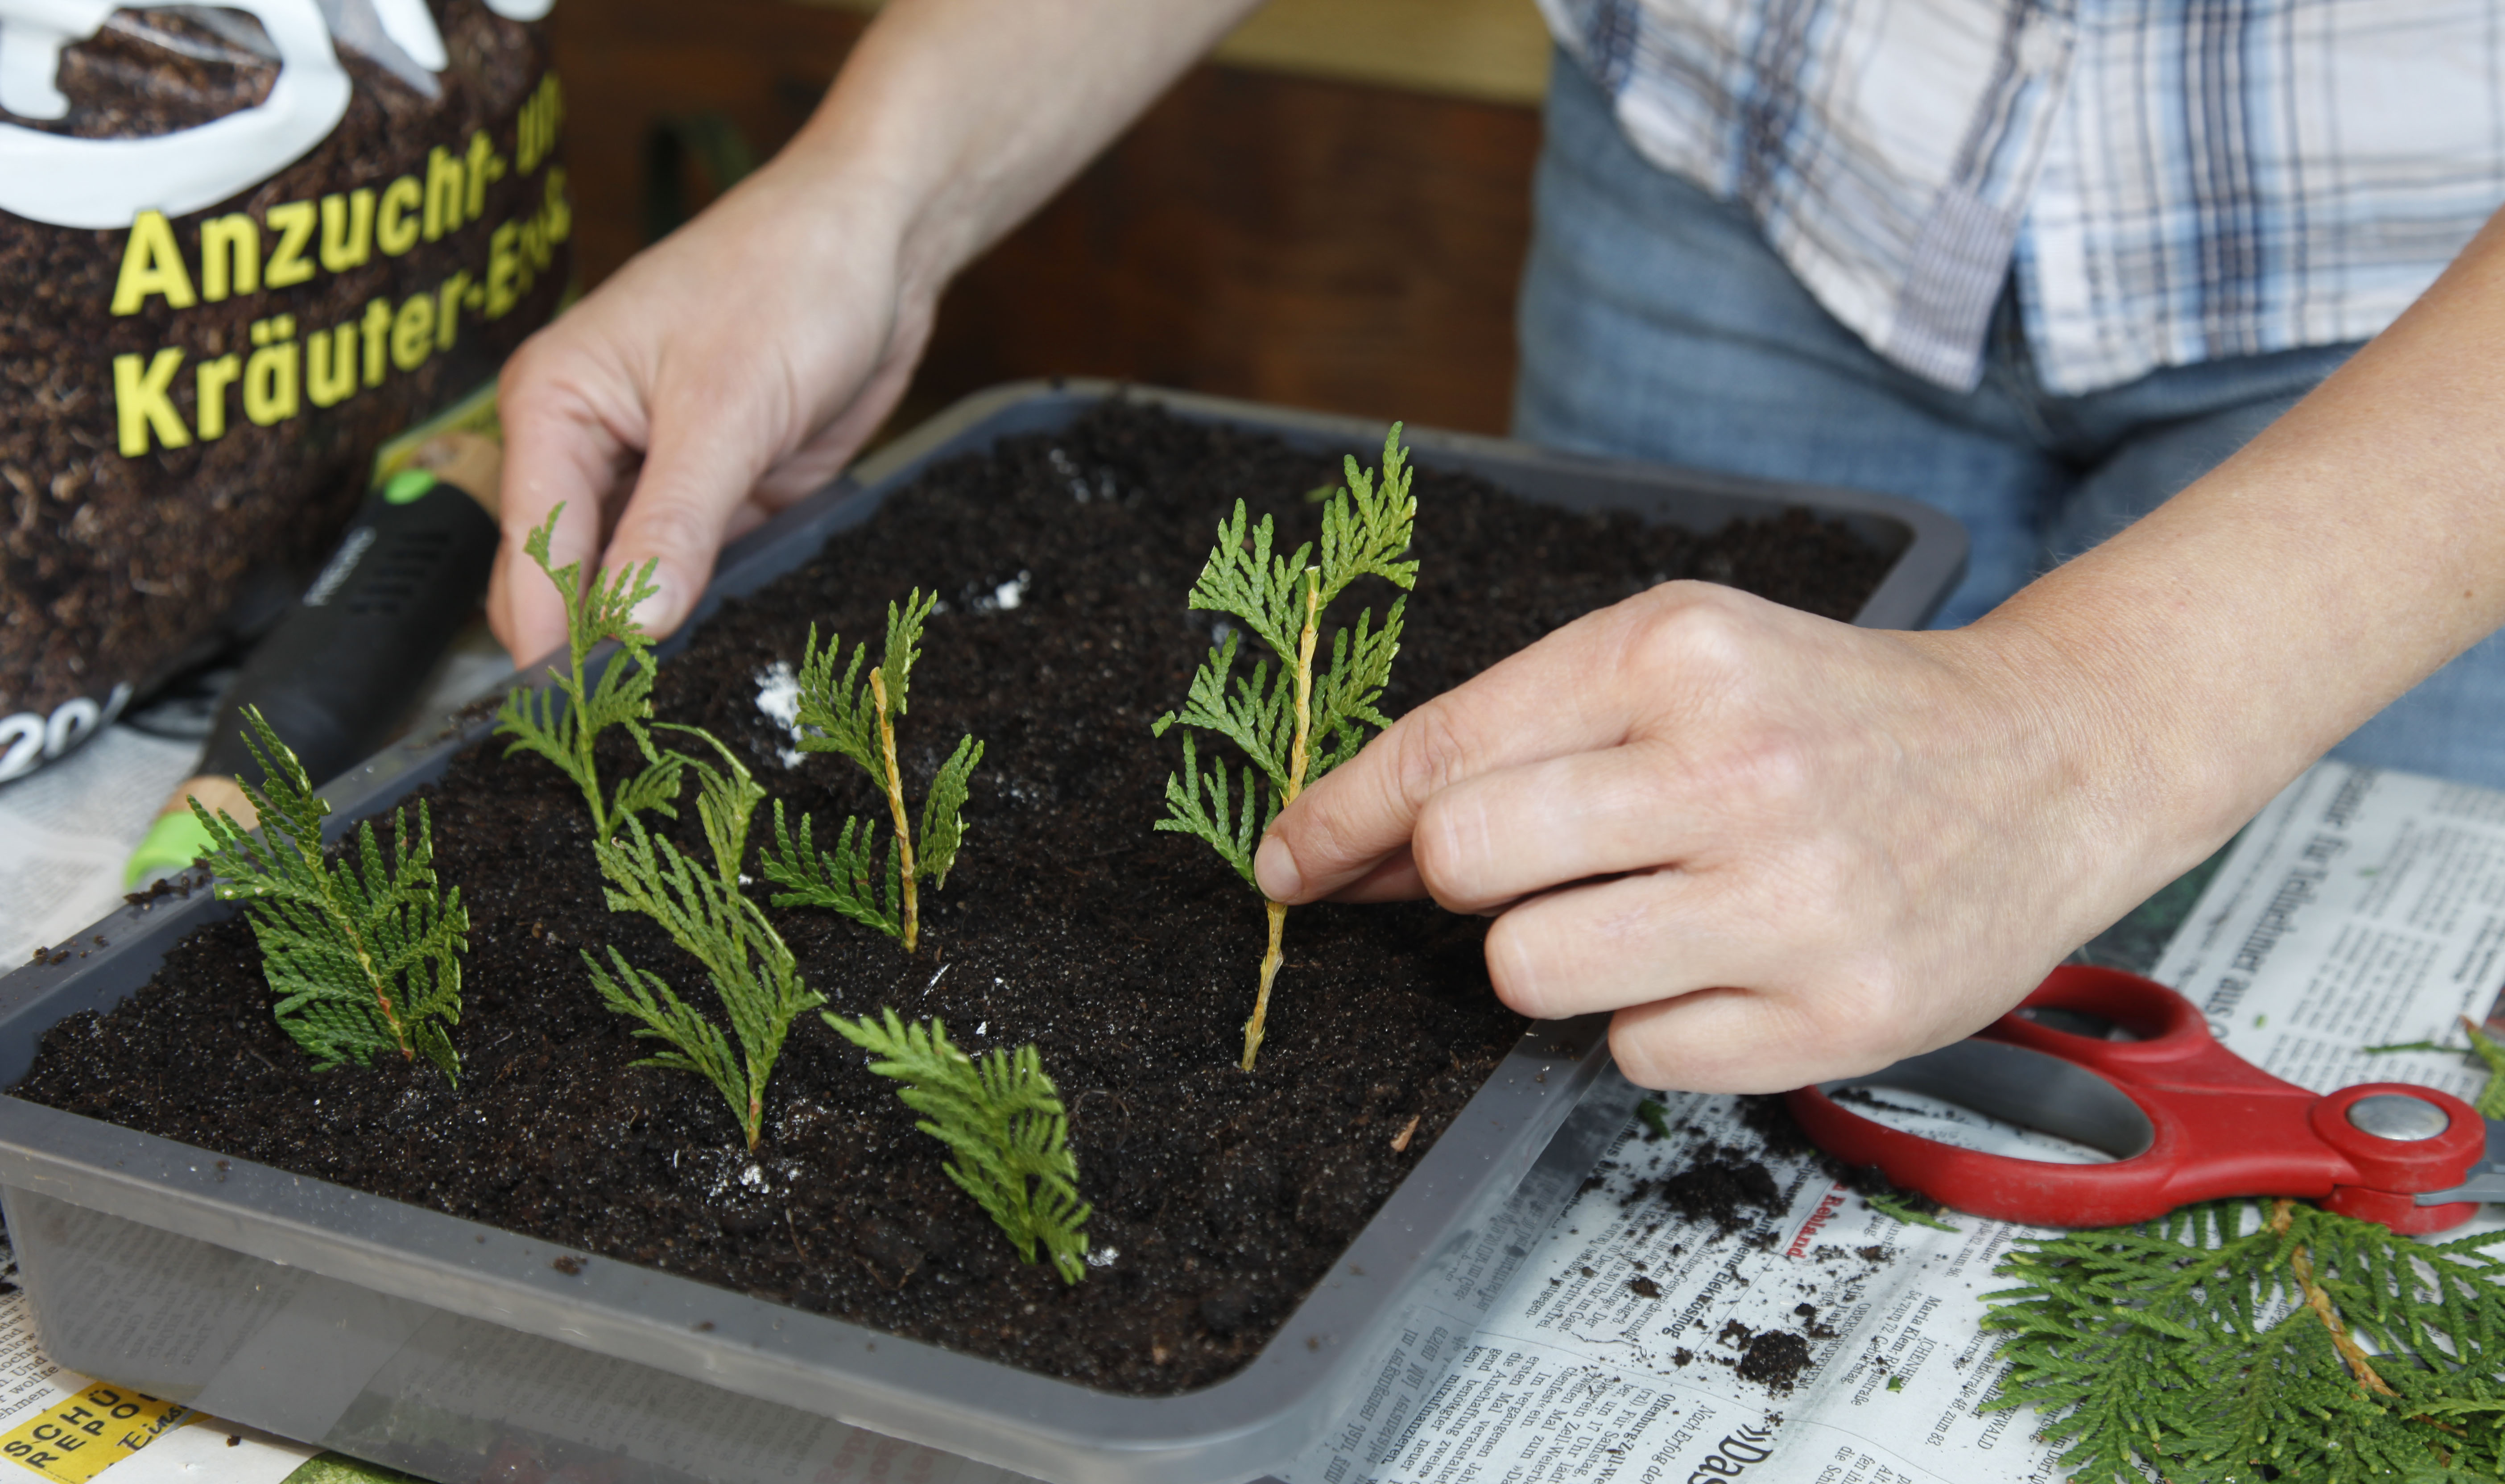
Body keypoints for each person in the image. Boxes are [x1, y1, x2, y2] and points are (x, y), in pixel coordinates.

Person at [488, 0, 2505, 1092]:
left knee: (2333, 1110)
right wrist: (880, 190)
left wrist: (2077, 735)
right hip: (1739, 161)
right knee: (1613, 1008)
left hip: (2425, 353)